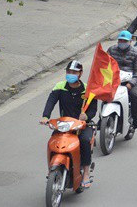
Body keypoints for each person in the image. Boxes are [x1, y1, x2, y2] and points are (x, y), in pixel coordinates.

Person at [40, 60, 97, 188]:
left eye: (74, 72)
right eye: (69, 72)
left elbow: (93, 108)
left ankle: (86, 173)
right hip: (64, 125)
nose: (71, 74)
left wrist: (87, 116)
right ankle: (52, 169)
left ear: (80, 74)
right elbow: (51, 101)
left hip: (83, 125)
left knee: (84, 142)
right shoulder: (60, 87)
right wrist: (45, 116)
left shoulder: (87, 90)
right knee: (53, 142)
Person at [107, 31, 137, 127]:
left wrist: (131, 83)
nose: (122, 42)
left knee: (134, 96)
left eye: (125, 41)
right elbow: (105, 65)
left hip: (129, 81)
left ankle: (136, 120)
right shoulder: (111, 50)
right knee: (105, 95)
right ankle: (103, 118)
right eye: (120, 40)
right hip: (113, 80)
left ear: (130, 41)